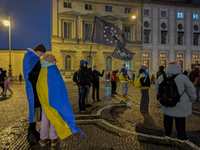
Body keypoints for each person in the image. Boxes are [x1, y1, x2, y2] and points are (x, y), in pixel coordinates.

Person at [36, 54, 83, 147]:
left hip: (45, 100)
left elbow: (39, 86)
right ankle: (53, 138)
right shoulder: (53, 69)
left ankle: (43, 139)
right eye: (54, 60)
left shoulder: (42, 70)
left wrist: (42, 97)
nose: (56, 61)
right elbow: (59, 86)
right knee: (56, 117)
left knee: (45, 119)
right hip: (54, 99)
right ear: (50, 61)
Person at [156, 62, 196, 141]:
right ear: (178, 67)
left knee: (167, 118)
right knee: (180, 120)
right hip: (180, 103)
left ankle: (167, 134)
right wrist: (192, 99)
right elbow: (191, 90)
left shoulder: (161, 77)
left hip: (166, 103)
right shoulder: (183, 77)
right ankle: (181, 137)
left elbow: (158, 90)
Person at [23, 43, 46, 145]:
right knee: (34, 108)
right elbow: (30, 73)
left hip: (36, 87)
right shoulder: (31, 58)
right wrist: (41, 72)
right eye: (41, 53)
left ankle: (33, 130)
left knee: (36, 109)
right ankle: (30, 132)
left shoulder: (34, 58)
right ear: (38, 50)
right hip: (32, 88)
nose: (41, 55)